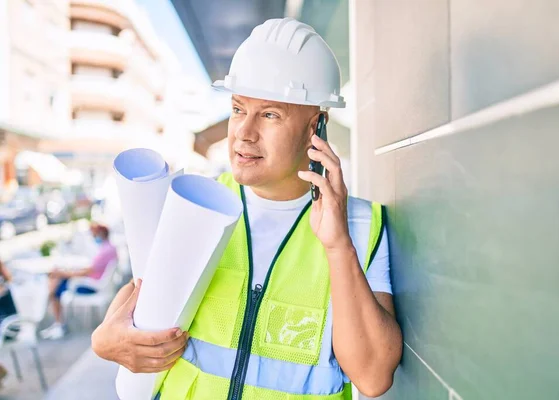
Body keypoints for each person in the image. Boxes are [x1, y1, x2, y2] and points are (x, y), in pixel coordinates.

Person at [92, 18, 402, 399]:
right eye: (239, 109)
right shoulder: (193, 208)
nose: (244, 132)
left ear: (315, 127)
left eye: (270, 114)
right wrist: (105, 342)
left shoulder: (360, 226)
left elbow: (372, 377)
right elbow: (127, 315)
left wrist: (339, 247)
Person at [41, 224, 117, 340]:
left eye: (94, 234)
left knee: (57, 286)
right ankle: (58, 321)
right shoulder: (109, 248)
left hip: (93, 286)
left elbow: (87, 272)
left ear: (100, 234)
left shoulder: (105, 251)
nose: (93, 236)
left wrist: (64, 273)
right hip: (95, 282)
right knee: (57, 282)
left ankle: (59, 323)